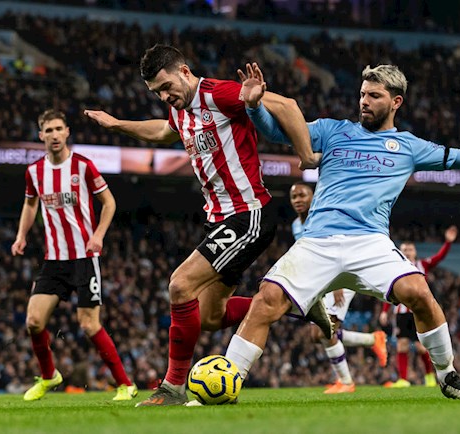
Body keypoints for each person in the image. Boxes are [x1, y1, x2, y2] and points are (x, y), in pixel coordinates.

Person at [224, 62, 460, 400]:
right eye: (362, 95)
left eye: (374, 95)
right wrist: (254, 106)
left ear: (396, 102)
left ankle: (448, 376)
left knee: (418, 290)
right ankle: (228, 382)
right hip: (318, 240)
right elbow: (277, 131)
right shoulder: (332, 130)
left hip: (369, 242)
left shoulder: (409, 147)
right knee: (266, 301)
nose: (364, 102)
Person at [84, 45, 329, 406]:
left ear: (184, 71)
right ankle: (298, 302)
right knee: (211, 316)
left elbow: (287, 106)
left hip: (249, 214)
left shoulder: (219, 93)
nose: (165, 96)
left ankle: (172, 387)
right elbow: (163, 132)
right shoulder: (179, 109)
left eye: (166, 86)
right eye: (156, 93)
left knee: (180, 285)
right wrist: (117, 124)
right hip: (219, 220)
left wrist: (306, 156)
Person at [12, 109, 137, 401]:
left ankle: (125, 384)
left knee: (89, 323)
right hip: (53, 259)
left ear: (67, 132)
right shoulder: (34, 172)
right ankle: (48, 376)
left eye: (59, 129)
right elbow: (30, 206)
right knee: (33, 322)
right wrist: (21, 235)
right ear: (40, 135)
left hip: (84, 257)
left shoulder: (83, 166)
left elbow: (109, 203)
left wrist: (98, 235)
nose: (54, 135)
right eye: (48, 130)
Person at [290, 182, 387, 394]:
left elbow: (338, 251)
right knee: (317, 335)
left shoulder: (324, 217)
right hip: (321, 280)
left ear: (313, 196)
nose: (298, 200)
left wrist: (337, 284)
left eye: (302, 195)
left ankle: (346, 381)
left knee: (326, 330)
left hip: (341, 276)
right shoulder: (296, 226)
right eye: (294, 196)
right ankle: (373, 339)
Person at [380, 226, 458, 388]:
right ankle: (403, 379)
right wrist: (384, 311)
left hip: (418, 312)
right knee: (401, 344)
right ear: (399, 252)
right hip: (401, 312)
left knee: (421, 347)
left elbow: (438, 258)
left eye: (410, 249)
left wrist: (448, 243)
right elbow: (388, 290)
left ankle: (429, 376)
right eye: (404, 249)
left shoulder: (422, 265)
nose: (407, 252)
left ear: (415, 252)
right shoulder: (394, 268)